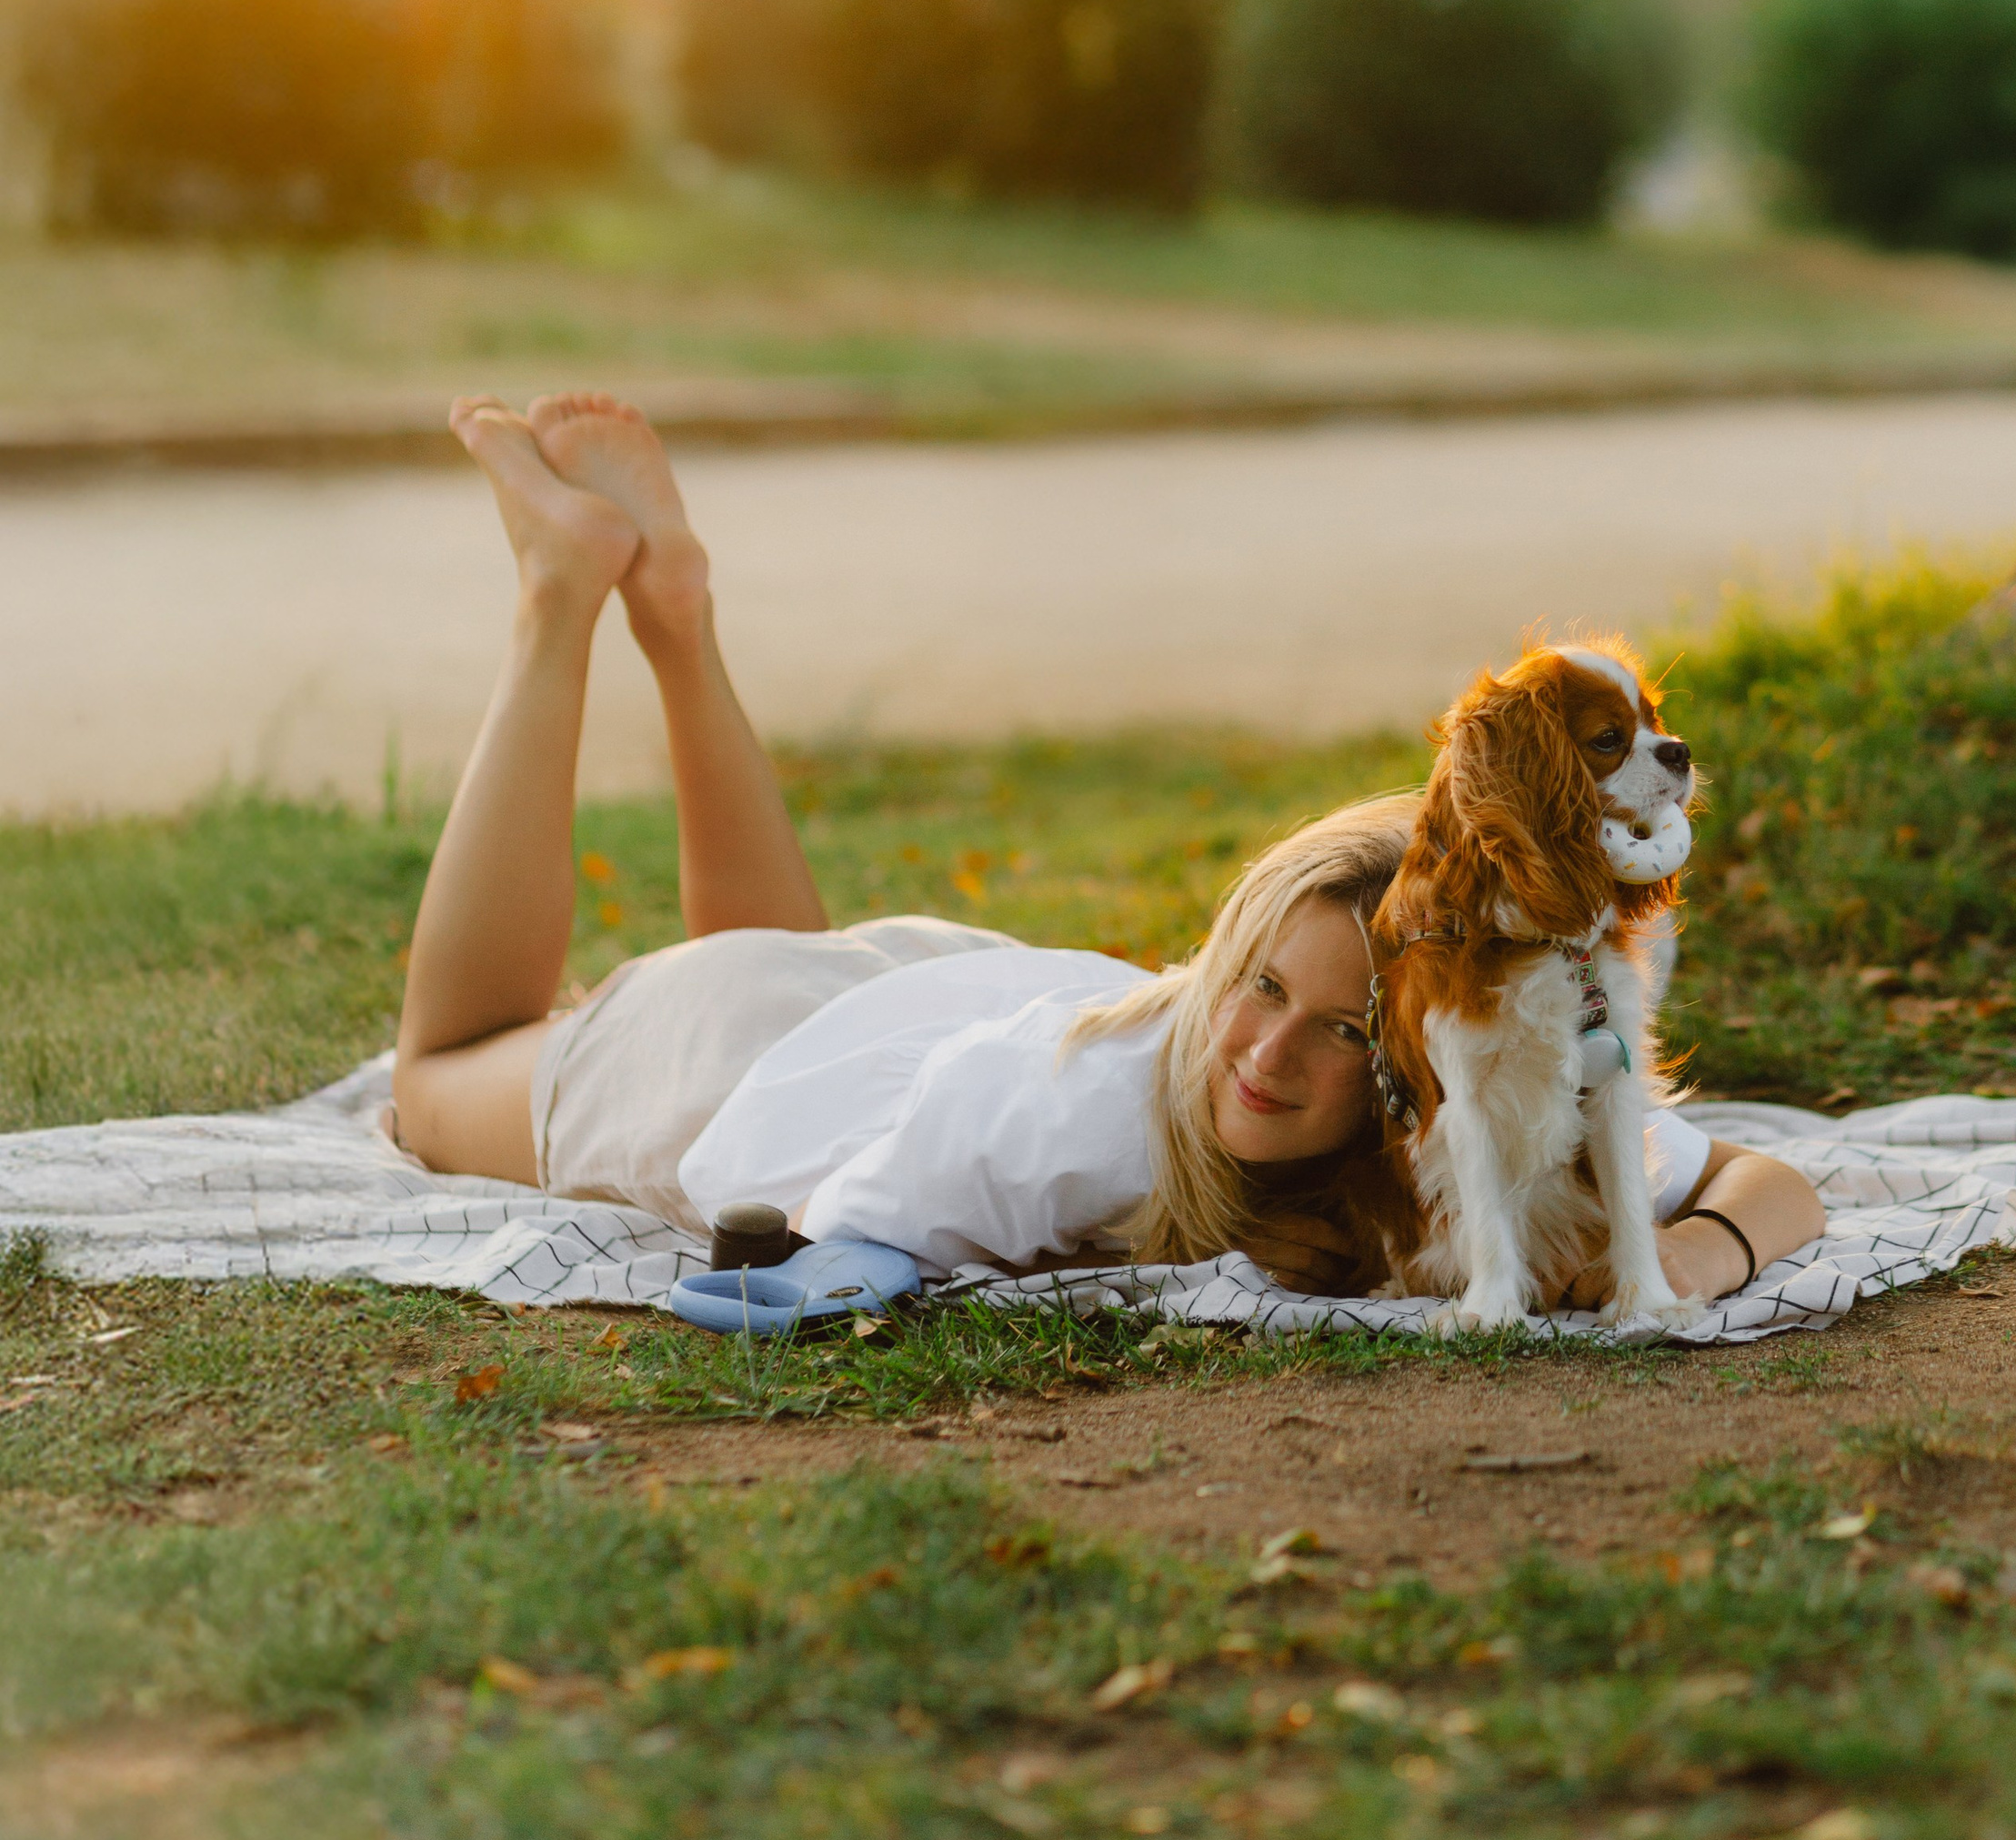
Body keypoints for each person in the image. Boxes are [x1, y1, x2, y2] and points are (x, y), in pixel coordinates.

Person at [393, 395, 1824, 1304]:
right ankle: (561, 597)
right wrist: (843, 1267)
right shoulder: (1082, 1123)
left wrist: (1688, 1256)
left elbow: (1764, 1181)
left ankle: (680, 619)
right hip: (778, 1053)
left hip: (914, 989)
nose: (1270, 1056)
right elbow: (900, 1187)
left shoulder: (1470, 1084)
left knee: (767, 965)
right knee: (439, 1068)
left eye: (1339, 1031)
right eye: (1262, 987)